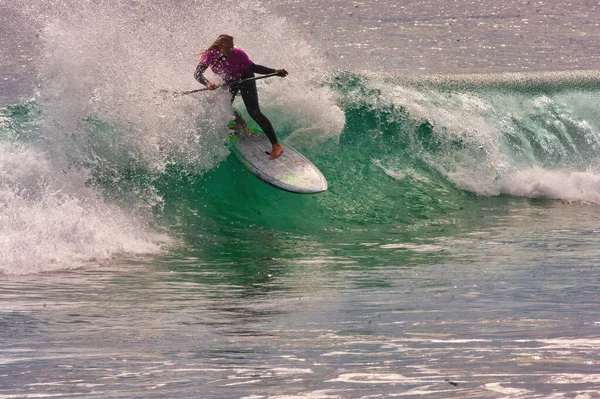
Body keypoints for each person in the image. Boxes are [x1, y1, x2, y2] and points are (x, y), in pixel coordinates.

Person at [194, 34, 288, 160]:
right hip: (230, 81)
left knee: (254, 112)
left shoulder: (238, 54)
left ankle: (276, 145)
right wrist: (208, 83)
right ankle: (240, 124)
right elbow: (197, 74)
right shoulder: (210, 55)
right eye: (228, 47)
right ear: (220, 47)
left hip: (245, 78)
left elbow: (254, 67)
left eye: (232, 46)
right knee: (223, 108)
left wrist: (275, 71)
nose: (231, 49)